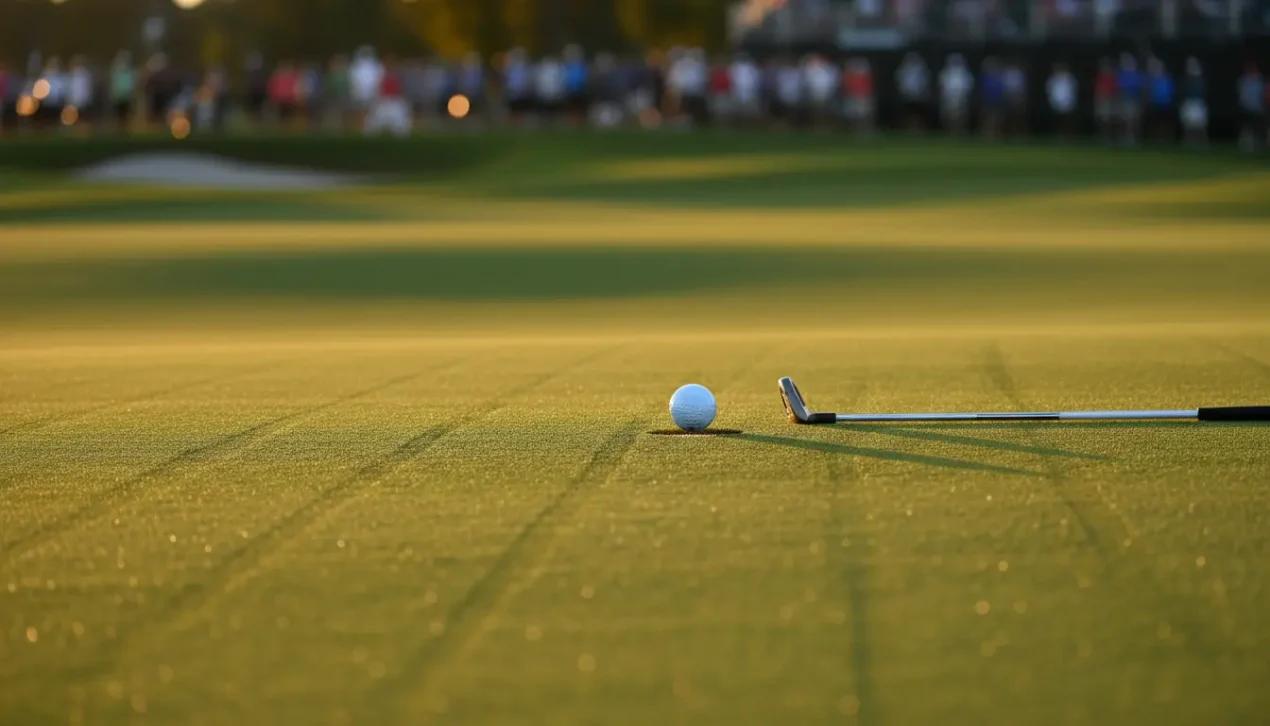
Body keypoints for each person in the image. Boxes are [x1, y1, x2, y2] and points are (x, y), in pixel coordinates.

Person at [364, 57, 411, 136]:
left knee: (399, 121)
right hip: (384, 101)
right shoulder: (382, 77)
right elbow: (379, 89)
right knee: (376, 120)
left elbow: (401, 90)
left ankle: (400, 135)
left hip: (394, 101)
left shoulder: (397, 77)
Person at [939, 53, 973, 136]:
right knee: (949, 116)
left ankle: (959, 131)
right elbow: (942, 85)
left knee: (960, 116)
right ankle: (949, 131)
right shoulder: (945, 72)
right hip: (949, 98)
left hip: (961, 98)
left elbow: (968, 86)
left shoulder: (965, 73)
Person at [896, 51, 930, 132]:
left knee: (918, 113)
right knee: (908, 112)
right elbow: (901, 81)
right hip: (907, 95)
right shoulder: (905, 69)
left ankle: (918, 128)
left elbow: (924, 82)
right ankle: (908, 128)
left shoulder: (921, 69)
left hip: (919, 96)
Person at [803, 54, 838, 129]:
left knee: (826, 110)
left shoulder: (830, 69)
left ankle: (825, 125)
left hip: (827, 93)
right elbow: (808, 79)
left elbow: (834, 81)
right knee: (816, 111)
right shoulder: (812, 68)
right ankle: (816, 125)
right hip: (815, 92)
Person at [1115, 53, 1143, 146]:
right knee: (1123, 120)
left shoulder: (1137, 74)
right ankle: (1123, 138)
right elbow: (1117, 87)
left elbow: (1140, 87)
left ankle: (1132, 138)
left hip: (1133, 100)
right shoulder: (1120, 74)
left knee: (1133, 120)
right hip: (1123, 100)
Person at [1144, 56, 1174, 142]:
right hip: (1154, 103)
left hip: (1165, 104)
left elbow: (1170, 90)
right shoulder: (1150, 79)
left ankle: (1166, 139)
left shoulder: (1166, 78)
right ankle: (1155, 140)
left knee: (1164, 123)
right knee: (1154, 123)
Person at [1236, 62, 1264, 152]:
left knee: (1256, 128)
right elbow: (1240, 93)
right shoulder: (1243, 80)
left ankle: (1257, 145)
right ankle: (1245, 146)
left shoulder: (1259, 81)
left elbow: (1261, 94)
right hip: (1246, 108)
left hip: (1256, 108)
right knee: (1246, 128)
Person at [842, 58, 875, 134]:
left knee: (864, 115)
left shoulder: (865, 72)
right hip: (852, 96)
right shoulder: (849, 73)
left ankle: (864, 130)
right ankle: (852, 130)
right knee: (852, 115)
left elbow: (868, 85)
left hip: (863, 96)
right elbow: (847, 84)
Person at [1179, 57, 1207, 146]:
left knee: (1200, 124)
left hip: (1197, 102)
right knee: (1188, 124)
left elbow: (1202, 91)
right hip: (1189, 102)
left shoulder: (1200, 79)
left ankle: (1202, 142)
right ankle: (1188, 141)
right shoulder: (1186, 79)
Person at [729, 52, 761, 128]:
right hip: (737, 90)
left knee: (748, 110)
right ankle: (737, 125)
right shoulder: (734, 66)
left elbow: (755, 79)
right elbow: (732, 78)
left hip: (749, 90)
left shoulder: (751, 67)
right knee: (737, 109)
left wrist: (753, 89)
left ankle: (747, 125)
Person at [1046, 62, 1077, 138]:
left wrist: (1070, 101)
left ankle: (1068, 135)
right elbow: (1049, 91)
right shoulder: (1053, 79)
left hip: (1067, 103)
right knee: (1057, 121)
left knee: (1067, 121)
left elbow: (1073, 91)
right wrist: (1052, 101)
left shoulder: (1070, 78)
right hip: (1056, 103)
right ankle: (1058, 135)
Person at [979, 56, 1004, 139]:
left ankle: (996, 133)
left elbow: (1001, 89)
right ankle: (987, 133)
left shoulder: (998, 77)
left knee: (997, 118)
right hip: (987, 100)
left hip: (997, 100)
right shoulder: (986, 78)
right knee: (987, 118)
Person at [1093, 57, 1117, 143]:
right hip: (1101, 100)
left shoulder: (1112, 77)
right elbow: (1097, 89)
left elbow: (1114, 89)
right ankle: (1102, 137)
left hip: (1110, 100)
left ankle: (1109, 137)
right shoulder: (1100, 77)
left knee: (1109, 119)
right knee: (1101, 119)